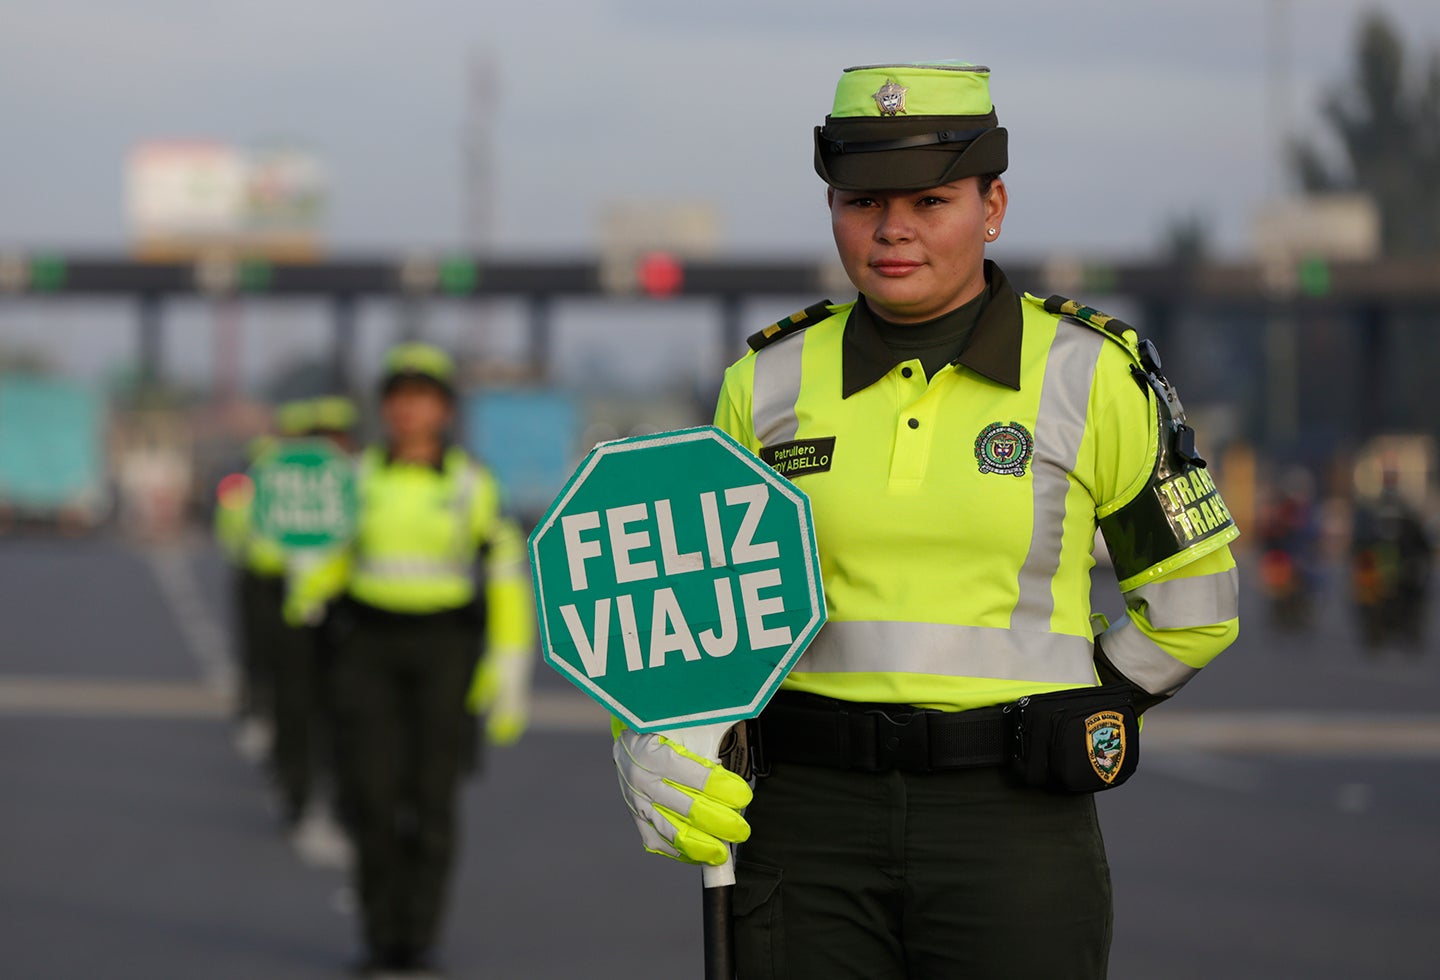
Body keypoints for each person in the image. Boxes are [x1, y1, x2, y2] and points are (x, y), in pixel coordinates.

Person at [612, 60, 1241, 978]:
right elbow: (703, 603)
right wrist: (654, 729)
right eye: (863, 201)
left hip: (1011, 824)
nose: (893, 228)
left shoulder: (1091, 373)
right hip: (804, 821)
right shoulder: (768, 381)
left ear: (994, 206)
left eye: (930, 201)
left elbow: (1197, 608)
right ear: (833, 207)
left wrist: (1079, 704)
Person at [288, 344, 536, 977]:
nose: (409, 409)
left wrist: (509, 662)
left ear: (445, 409)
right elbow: (332, 555)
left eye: (423, 397)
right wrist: (308, 584)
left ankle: (417, 937)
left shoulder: (472, 484)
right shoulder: (355, 477)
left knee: (431, 801)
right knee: (369, 797)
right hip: (367, 646)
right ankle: (378, 936)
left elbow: (506, 574)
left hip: (444, 649)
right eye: (398, 397)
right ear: (384, 407)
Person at [271, 395, 359, 862]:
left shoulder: (364, 479)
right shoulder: (284, 480)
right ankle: (297, 792)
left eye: (337, 436)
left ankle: (346, 798)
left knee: (347, 711)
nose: (330, 447)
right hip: (294, 607)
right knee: (296, 704)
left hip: (350, 609)